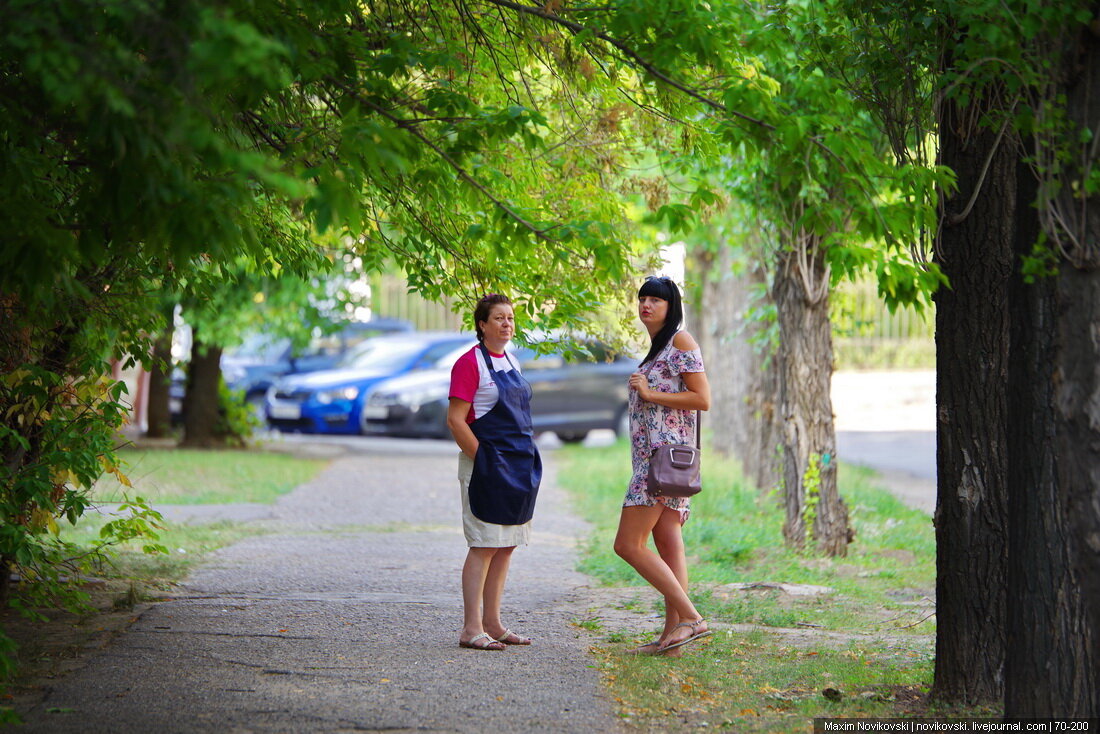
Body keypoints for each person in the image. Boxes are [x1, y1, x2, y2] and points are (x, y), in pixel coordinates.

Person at [615, 275, 712, 654]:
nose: (646, 305)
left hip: (664, 460)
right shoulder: (657, 349)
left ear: (671, 307)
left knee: (627, 544)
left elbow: (702, 398)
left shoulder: (680, 341)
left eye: (655, 299)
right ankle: (671, 641)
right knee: (669, 546)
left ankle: (691, 617)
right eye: (642, 298)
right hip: (654, 459)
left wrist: (649, 392)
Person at [446, 293, 542, 651]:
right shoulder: (470, 364)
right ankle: (471, 628)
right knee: (484, 545)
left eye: (511, 318)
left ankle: (494, 623)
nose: (506, 324)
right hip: (487, 467)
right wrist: (485, 462)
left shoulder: (512, 361)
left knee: (506, 547)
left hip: (517, 469)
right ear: (482, 325)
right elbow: (456, 421)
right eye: (499, 318)